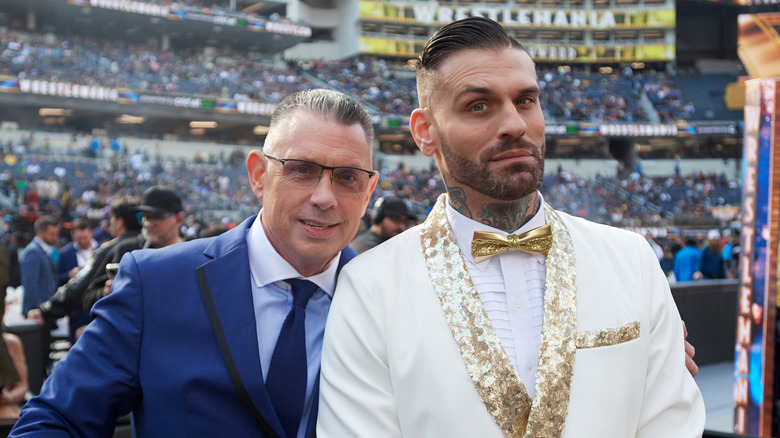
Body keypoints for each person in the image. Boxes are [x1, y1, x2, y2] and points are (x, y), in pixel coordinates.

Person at [317, 17, 704, 437]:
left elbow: (672, 424)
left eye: (525, 100)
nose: (515, 125)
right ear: (425, 132)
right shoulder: (369, 289)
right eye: (478, 105)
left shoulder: (631, 260)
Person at [10, 89, 378, 437]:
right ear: (258, 176)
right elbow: (57, 419)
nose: (324, 197)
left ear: (369, 193)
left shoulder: (391, 300)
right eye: (302, 169)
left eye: (348, 177)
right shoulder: (155, 283)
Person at [26, 199, 142, 332]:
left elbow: (80, 285)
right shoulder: (153, 247)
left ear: (119, 221)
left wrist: (46, 311)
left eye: (112, 218)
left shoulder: (111, 248)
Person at [81, 186, 185, 310]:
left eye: (157, 217)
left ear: (179, 219)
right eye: (145, 217)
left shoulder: (197, 252)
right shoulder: (127, 250)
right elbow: (89, 298)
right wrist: (107, 292)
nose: (149, 224)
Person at [55, 217, 98, 341]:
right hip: (76, 310)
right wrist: (69, 275)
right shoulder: (65, 254)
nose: (82, 241)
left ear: (91, 233)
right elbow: (57, 279)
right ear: (72, 235)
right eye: (79, 238)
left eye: (85, 237)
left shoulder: (103, 249)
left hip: (97, 306)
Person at [20, 216, 58, 316]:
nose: (55, 237)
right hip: (37, 313)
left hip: (45, 309)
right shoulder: (33, 251)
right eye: (51, 234)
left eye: (56, 233)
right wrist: (38, 310)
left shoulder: (44, 250)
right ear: (40, 233)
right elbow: (30, 285)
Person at [350, 197, 415, 253]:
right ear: (379, 218)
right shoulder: (367, 246)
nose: (402, 227)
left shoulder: (385, 242)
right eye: (396, 220)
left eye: (405, 222)